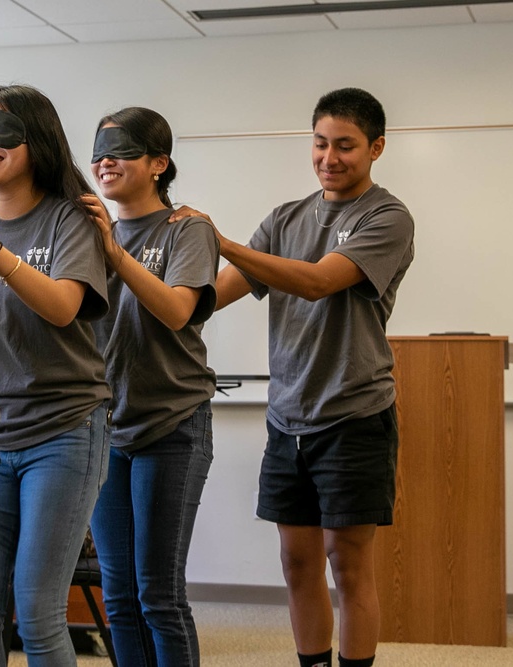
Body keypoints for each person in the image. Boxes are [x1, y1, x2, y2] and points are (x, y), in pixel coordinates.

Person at [173, 87, 415, 667]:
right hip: (288, 419)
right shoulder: (284, 218)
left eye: (346, 147)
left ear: (376, 148)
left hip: (355, 417)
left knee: (348, 565)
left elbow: (314, 281)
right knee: (297, 564)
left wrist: (222, 240)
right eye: (320, 143)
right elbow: (209, 298)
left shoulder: (386, 217)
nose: (329, 158)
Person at [0, 84, 111, 666]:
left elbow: (64, 307)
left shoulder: (72, 219)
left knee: (37, 611)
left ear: (36, 140)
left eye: (0, 133)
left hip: (64, 430)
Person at [78, 107, 219, 666]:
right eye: (99, 153)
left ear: (159, 164)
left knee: (158, 593)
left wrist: (114, 252)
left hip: (173, 424)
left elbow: (178, 311)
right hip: (106, 430)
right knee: (119, 595)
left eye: (122, 151)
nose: (105, 162)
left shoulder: (188, 228)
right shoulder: (81, 230)